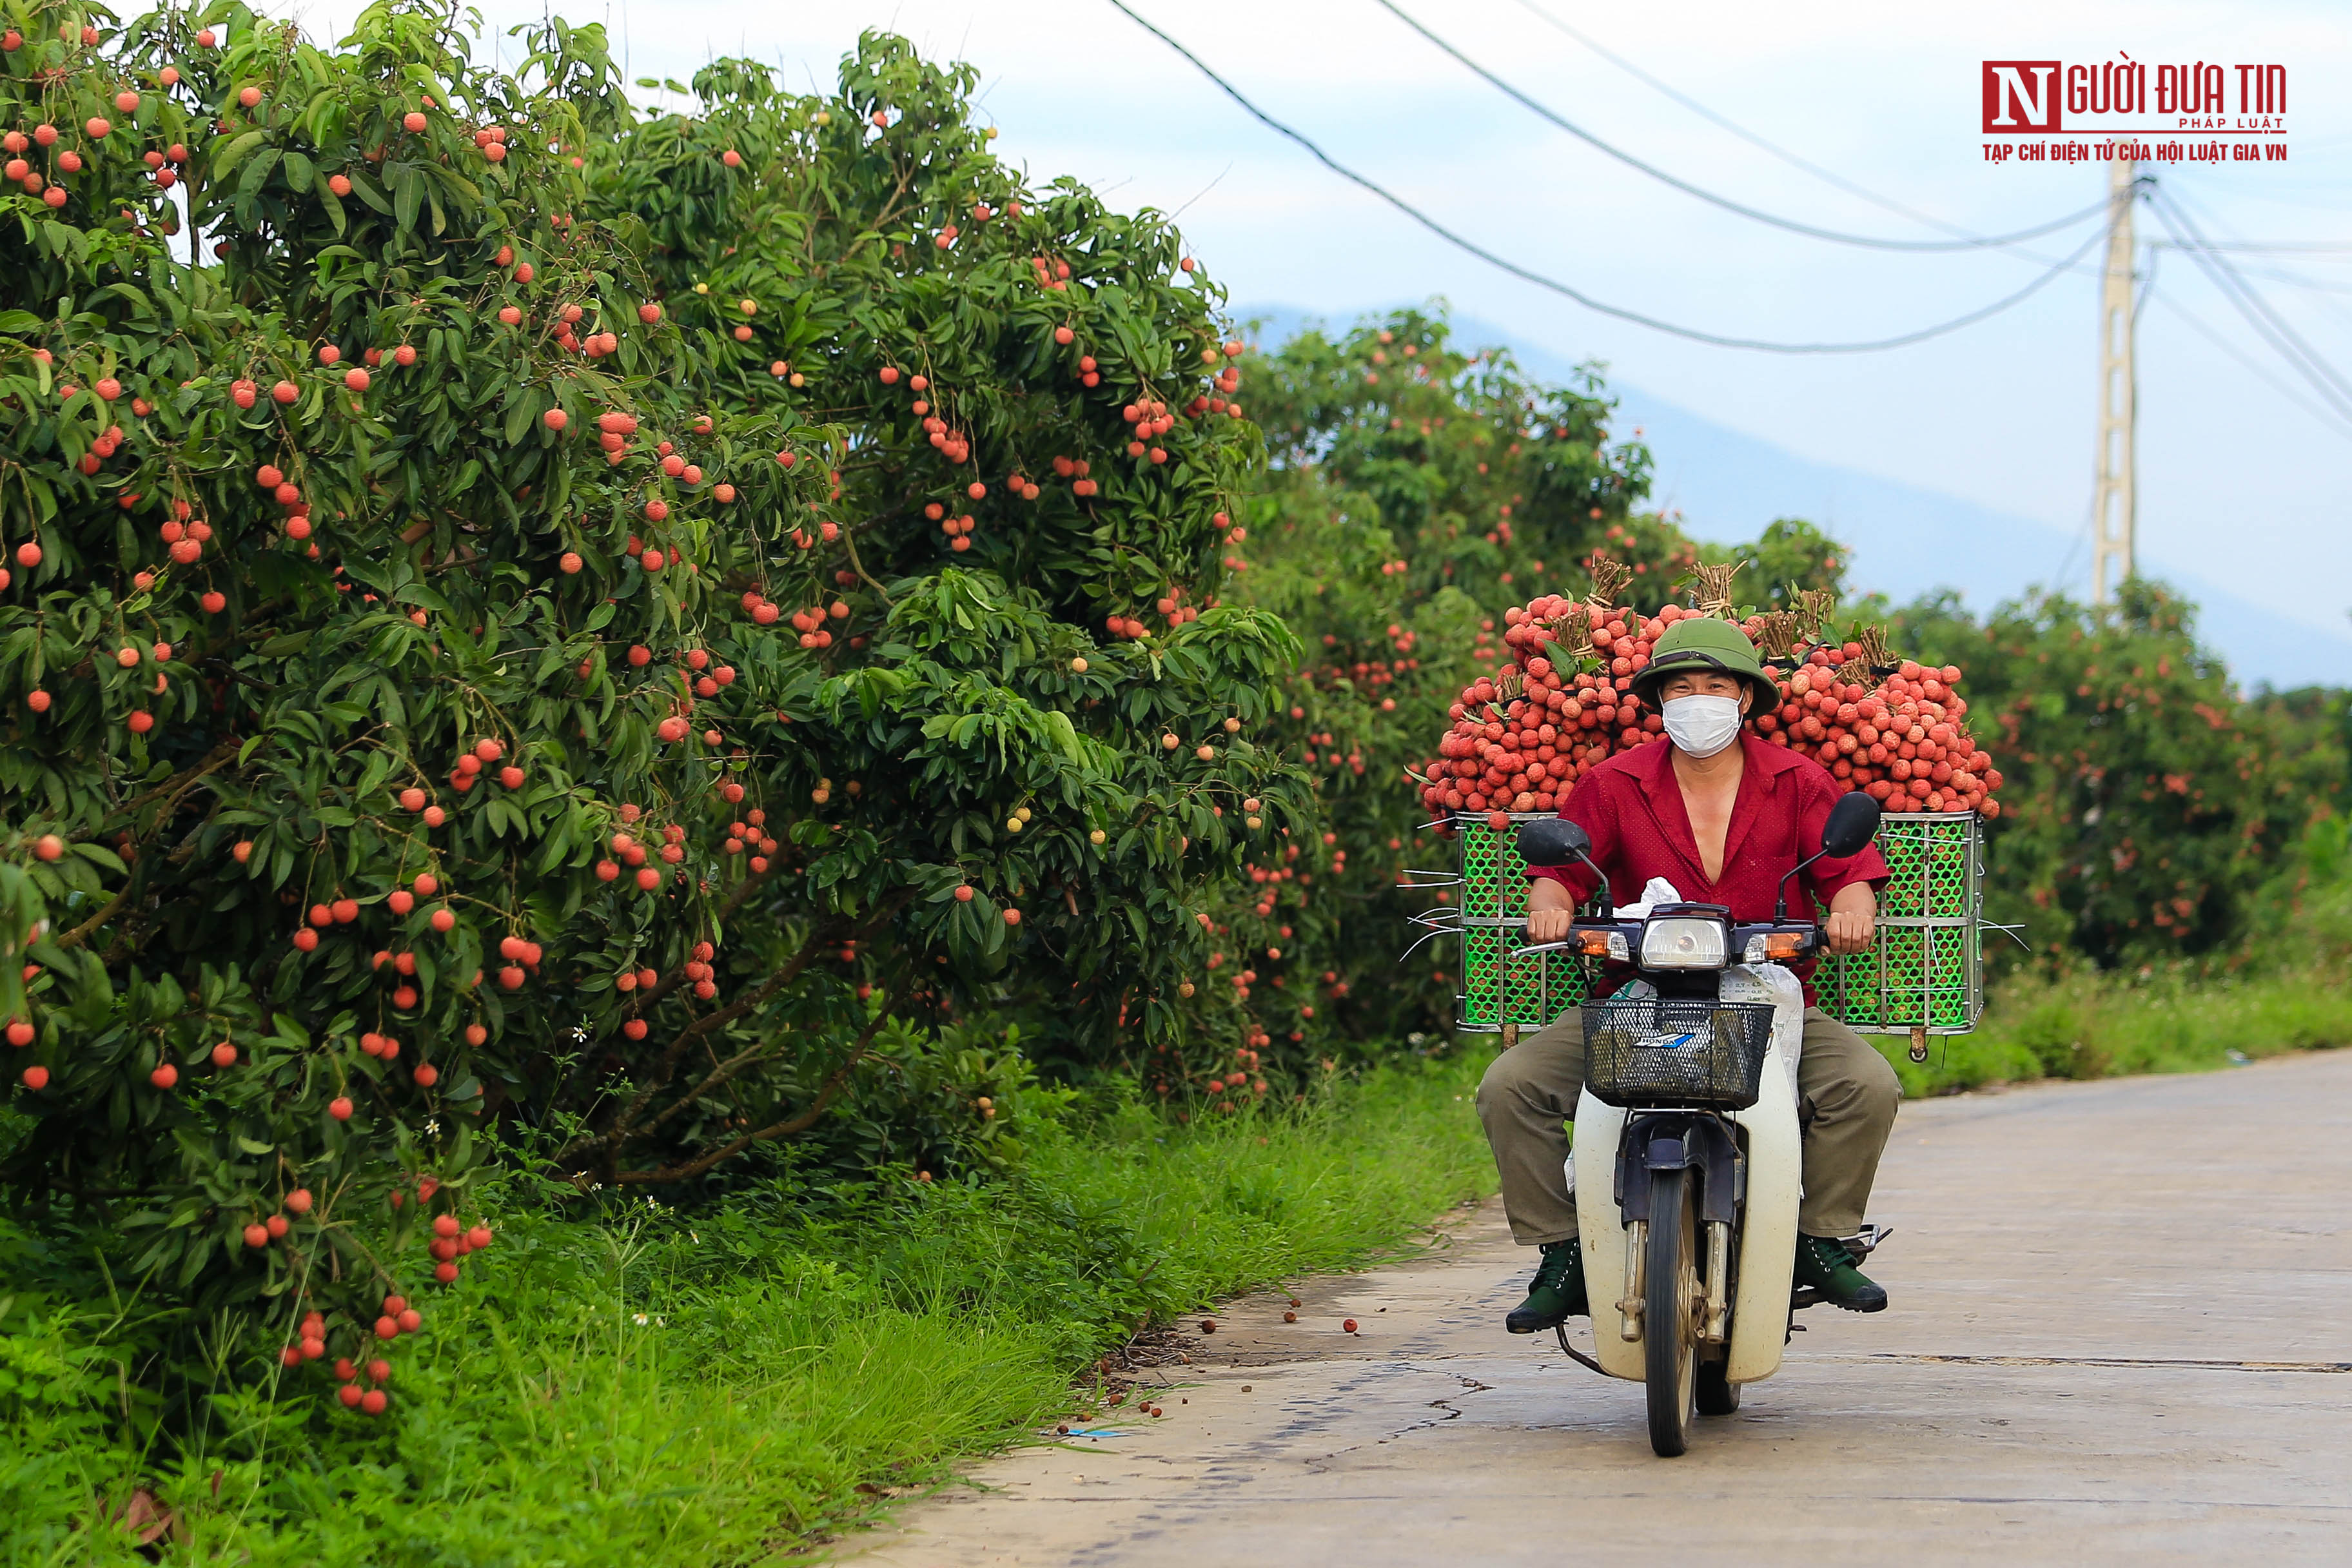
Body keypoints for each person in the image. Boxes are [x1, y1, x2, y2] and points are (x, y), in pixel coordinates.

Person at [1475, 615, 1903, 1333]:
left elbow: (1849, 873)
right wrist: (1549, 908)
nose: (1697, 700)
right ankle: (1564, 1253)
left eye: (1714, 686)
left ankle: (1818, 1240)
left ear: (1744, 699)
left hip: (1764, 995)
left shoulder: (1799, 780)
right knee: (1509, 1087)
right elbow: (1555, 876)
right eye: (1681, 687)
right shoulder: (1613, 783)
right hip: (1641, 996)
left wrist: (1852, 909)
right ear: (1659, 701)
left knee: (1867, 1085)